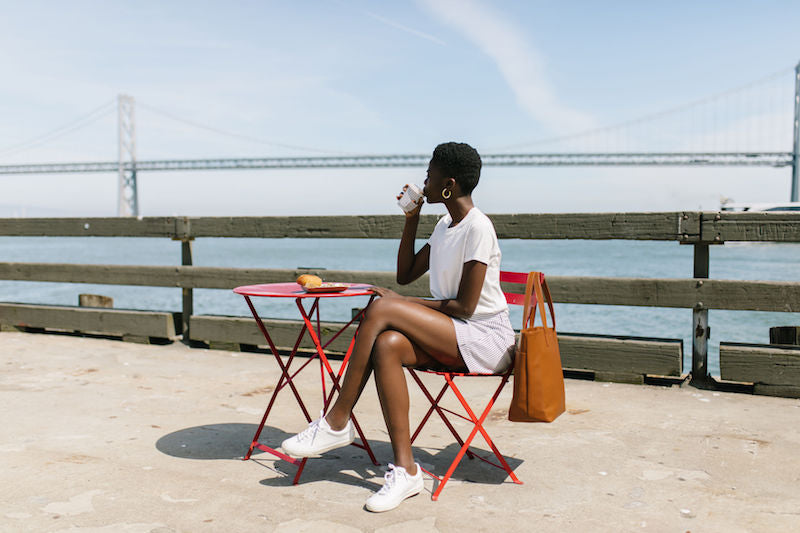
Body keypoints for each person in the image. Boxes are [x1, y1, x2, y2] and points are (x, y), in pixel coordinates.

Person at [281, 142, 516, 512]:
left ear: (449, 184)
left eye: (430, 173)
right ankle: (406, 472)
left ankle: (336, 421)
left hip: (486, 339)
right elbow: (405, 275)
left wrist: (400, 304)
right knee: (388, 342)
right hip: (452, 331)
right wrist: (411, 221)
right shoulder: (443, 227)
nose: (424, 178)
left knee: (382, 309)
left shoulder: (478, 228)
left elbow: (466, 307)